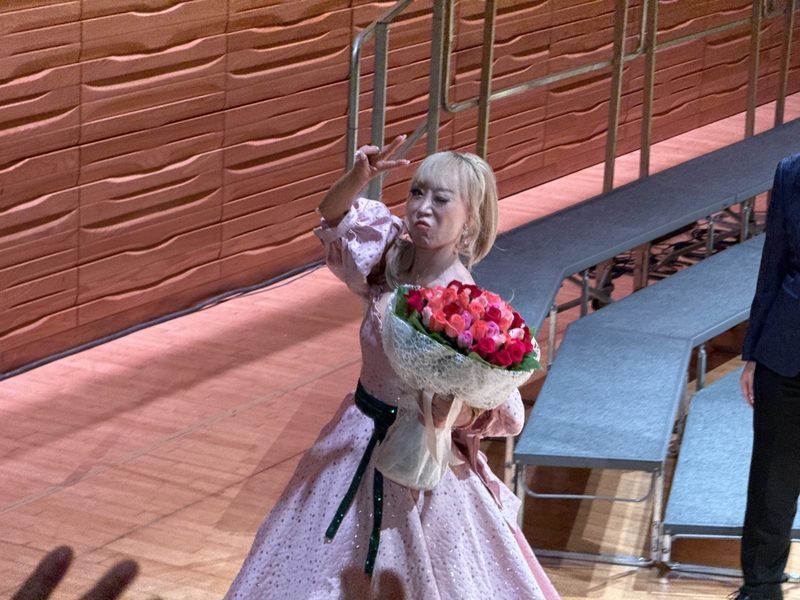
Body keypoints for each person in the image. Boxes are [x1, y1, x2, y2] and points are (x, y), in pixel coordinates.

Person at [224, 137, 560, 600]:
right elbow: (333, 216)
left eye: (441, 199)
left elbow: (498, 408)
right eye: (417, 192)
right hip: (355, 431)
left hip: (416, 459)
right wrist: (359, 177)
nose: (423, 207)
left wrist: (452, 413)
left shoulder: (471, 307)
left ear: (470, 219)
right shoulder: (390, 258)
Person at [737, 153, 800, 600]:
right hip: (784, 349)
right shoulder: (791, 171)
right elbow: (773, 262)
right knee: (771, 482)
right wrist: (754, 352)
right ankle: (761, 589)